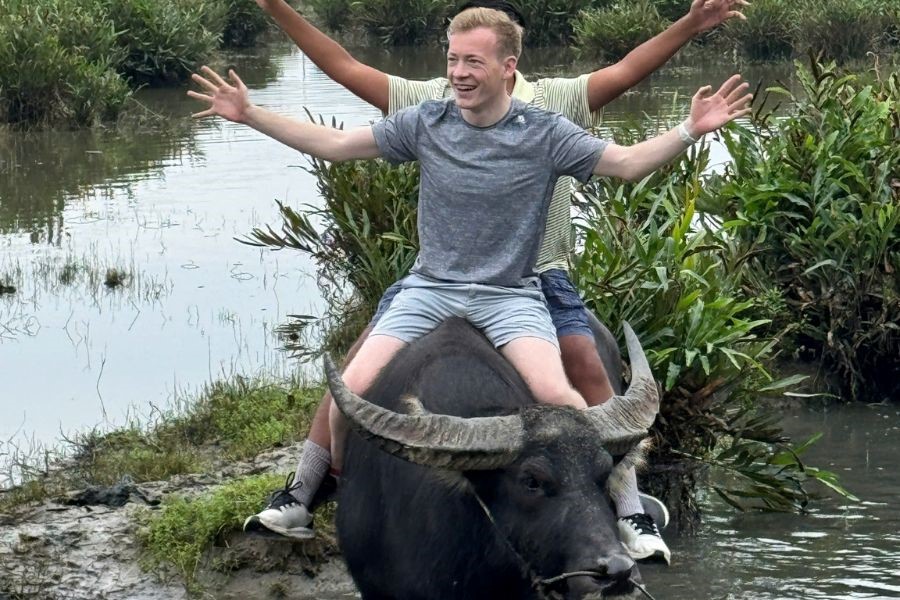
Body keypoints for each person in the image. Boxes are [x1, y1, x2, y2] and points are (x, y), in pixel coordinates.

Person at [236, 0, 749, 562]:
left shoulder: (546, 127)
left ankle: (618, 512)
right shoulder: (425, 118)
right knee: (347, 397)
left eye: (473, 62)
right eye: (453, 60)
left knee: (564, 402)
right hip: (429, 288)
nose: (459, 72)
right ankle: (325, 494)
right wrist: (252, 114)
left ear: (509, 67)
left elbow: (626, 162)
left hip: (512, 294)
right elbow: (335, 144)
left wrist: (689, 128)